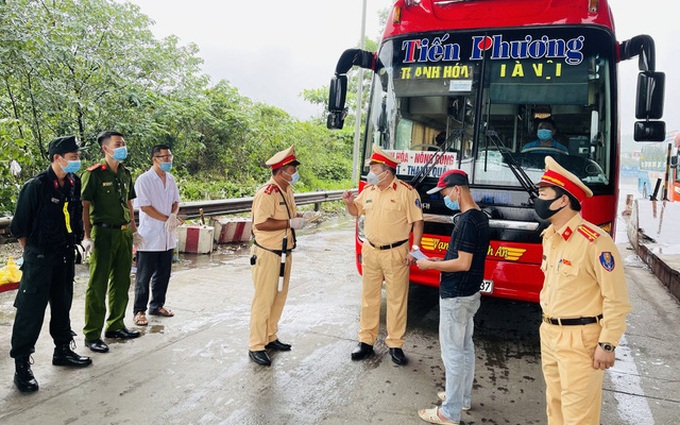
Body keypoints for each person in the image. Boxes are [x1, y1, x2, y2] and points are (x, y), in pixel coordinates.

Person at [534, 156, 631, 424]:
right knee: (555, 407)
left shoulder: (596, 242)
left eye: (543, 193)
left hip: (581, 340)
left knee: (579, 415)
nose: (537, 198)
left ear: (563, 200)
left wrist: (607, 344)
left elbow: (617, 299)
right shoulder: (549, 237)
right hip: (550, 333)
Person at [9, 135, 92, 393]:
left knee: (62, 304)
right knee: (30, 311)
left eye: (78, 157)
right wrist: (33, 254)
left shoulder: (72, 182)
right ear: (58, 158)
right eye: (74, 157)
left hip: (65, 255)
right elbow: (19, 227)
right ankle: (22, 366)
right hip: (40, 257)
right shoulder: (36, 186)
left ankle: (63, 350)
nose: (77, 161)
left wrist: (80, 241)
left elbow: (75, 214)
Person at [415, 169, 489, 425]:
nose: (445, 197)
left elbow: (463, 263)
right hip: (469, 294)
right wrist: (435, 260)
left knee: (453, 354)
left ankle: (449, 412)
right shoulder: (480, 217)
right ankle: (462, 398)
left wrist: (430, 265)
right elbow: (463, 260)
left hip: (456, 295)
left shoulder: (468, 222)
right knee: (465, 348)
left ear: (457, 190)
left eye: (446, 192)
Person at [342, 145, 424, 366]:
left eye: (374, 168)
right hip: (371, 250)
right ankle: (366, 342)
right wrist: (350, 204)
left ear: (387, 171)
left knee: (397, 300)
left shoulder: (407, 192)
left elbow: (418, 222)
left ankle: (395, 344)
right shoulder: (369, 190)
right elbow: (356, 212)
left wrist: (415, 250)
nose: (371, 172)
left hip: (396, 252)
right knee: (369, 298)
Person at [248, 145, 309, 366]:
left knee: (278, 298)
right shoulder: (267, 193)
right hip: (268, 254)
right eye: (292, 169)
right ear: (281, 171)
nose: (294, 173)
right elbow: (261, 224)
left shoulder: (287, 190)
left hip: (285, 252)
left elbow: (289, 216)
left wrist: (303, 217)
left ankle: (270, 336)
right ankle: (256, 345)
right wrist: (289, 223)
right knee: (263, 300)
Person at [81, 131, 141, 353]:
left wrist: (134, 231)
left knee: (122, 281)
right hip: (103, 234)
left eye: (124, 143)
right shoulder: (94, 175)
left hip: (124, 233)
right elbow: (84, 207)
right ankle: (92, 334)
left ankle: (115, 325)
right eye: (118, 144)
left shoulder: (125, 173)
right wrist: (87, 236)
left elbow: (129, 203)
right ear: (106, 148)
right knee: (98, 284)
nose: (123, 146)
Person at [132, 144, 181, 326]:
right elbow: (144, 206)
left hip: (167, 236)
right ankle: (139, 310)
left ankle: (157, 305)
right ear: (154, 159)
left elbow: (176, 201)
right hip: (150, 236)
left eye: (170, 157)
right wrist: (166, 218)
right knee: (144, 276)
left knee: (164, 274)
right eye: (164, 157)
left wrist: (174, 215)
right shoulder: (144, 180)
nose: (168, 160)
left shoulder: (171, 179)